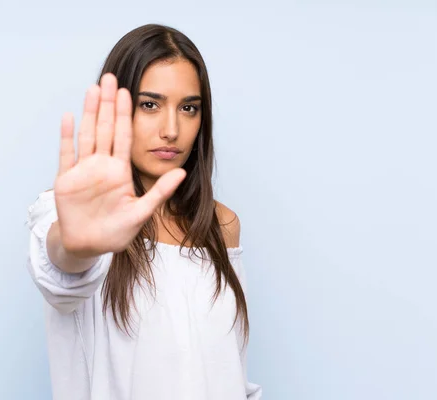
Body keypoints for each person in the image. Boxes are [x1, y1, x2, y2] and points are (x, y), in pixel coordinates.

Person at [25, 23, 262, 400]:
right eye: (150, 104)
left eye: (188, 108)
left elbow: (231, 369)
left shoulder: (221, 225)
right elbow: (61, 273)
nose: (172, 129)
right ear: (118, 109)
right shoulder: (75, 214)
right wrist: (76, 248)